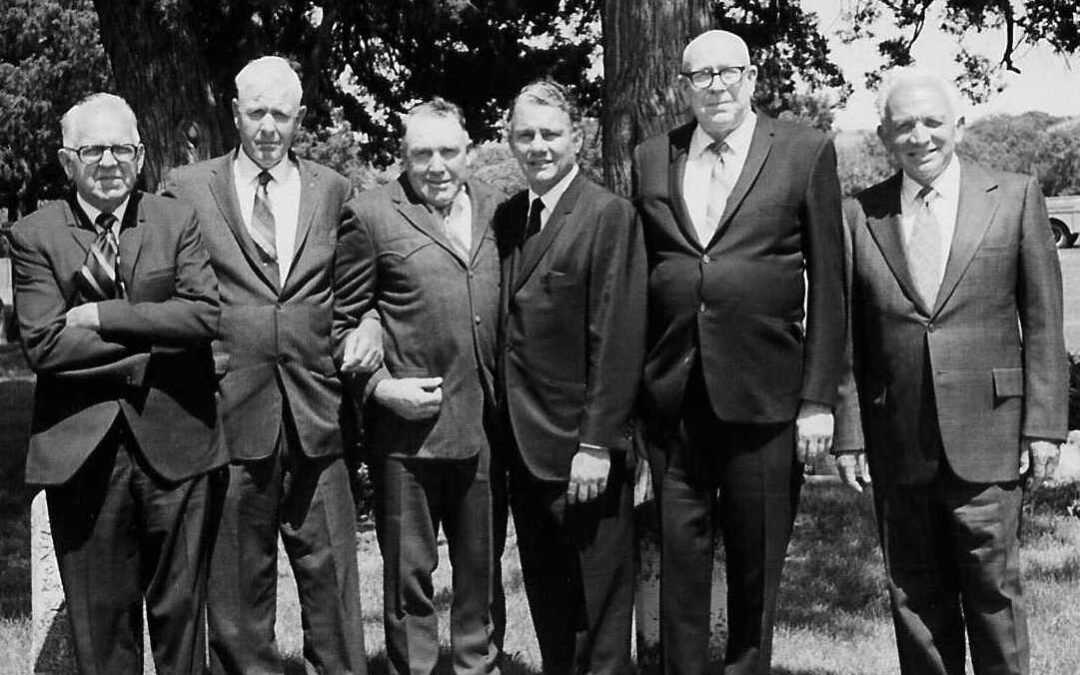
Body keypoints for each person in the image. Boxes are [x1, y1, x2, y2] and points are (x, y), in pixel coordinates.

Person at [834, 66, 1067, 675]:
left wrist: (1043, 426)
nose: (920, 136)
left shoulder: (1015, 196)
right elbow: (845, 338)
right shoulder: (859, 215)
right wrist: (851, 432)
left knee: (994, 594)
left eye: (933, 121)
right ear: (885, 137)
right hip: (898, 440)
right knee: (913, 598)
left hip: (990, 433)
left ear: (958, 126)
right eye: (904, 125)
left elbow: (1043, 320)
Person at [632, 29, 845, 674]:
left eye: (730, 72)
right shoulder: (651, 157)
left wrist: (817, 400)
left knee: (757, 571)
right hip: (673, 399)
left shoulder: (804, 151)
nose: (717, 85)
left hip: (766, 399)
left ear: (753, 78)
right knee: (680, 565)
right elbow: (646, 275)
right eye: (702, 75)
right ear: (685, 86)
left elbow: (830, 286)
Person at [162, 56, 369, 675]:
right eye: (257, 113)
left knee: (332, 579)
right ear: (235, 113)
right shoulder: (187, 187)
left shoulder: (333, 189)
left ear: (300, 117)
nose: (270, 127)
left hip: (317, 407)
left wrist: (372, 325)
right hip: (229, 408)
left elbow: (356, 289)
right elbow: (170, 289)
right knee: (236, 586)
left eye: (282, 113)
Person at [9, 92, 225, 674]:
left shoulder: (174, 219)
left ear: (141, 154)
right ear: (67, 161)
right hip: (83, 459)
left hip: (179, 446)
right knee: (101, 635)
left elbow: (204, 316)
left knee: (182, 626)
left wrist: (104, 317)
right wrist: (156, 337)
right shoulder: (34, 235)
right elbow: (46, 345)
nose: (109, 162)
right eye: (93, 150)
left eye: (122, 149)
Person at [332, 98, 503, 675]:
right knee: (410, 580)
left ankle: (477, 666)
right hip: (406, 436)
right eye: (421, 153)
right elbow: (342, 321)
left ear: (469, 152)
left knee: (481, 573)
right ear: (400, 157)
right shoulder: (371, 215)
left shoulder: (499, 209)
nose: (436, 165)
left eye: (448, 152)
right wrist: (379, 388)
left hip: (484, 426)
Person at [496, 79, 647, 675]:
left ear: (576, 138)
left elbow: (617, 338)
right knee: (551, 604)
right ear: (511, 141)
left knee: (601, 611)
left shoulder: (609, 215)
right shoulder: (510, 217)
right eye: (525, 134)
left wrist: (597, 443)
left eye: (550, 134)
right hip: (522, 446)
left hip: (583, 451)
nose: (538, 146)